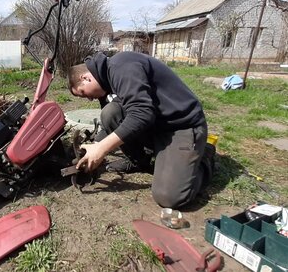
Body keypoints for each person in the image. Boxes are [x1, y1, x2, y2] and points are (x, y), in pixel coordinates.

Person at [67, 51, 214, 209]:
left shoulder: (121, 66)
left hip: (181, 126)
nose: (89, 98)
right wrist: (95, 144)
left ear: (85, 78)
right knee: (110, 113)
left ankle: (204, 156)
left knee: (169, 197)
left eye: (83, 93)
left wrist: (101, 149)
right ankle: (139, 162)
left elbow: (142, 114)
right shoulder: (108, 82)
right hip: (156, 125)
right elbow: (117, 120)